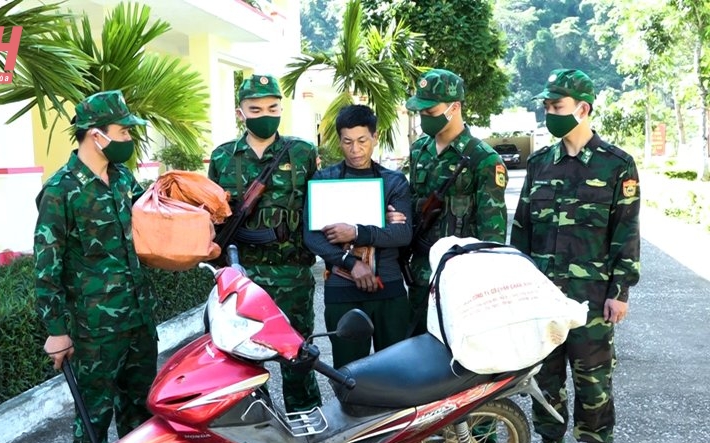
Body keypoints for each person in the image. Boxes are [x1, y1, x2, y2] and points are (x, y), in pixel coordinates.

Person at [511, 68, 641, 443]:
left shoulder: (617, 165)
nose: (550, 113)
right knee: (545, 376)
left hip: (592, 296)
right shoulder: (540, 164)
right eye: (547, 106)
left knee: (593, 378)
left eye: (557, 107)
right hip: (544, 296)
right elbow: (523, 230)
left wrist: (620, 291)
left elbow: (626, 232)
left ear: (583, 109)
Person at [33, 90, 158, 443]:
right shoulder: (60, 190)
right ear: (95, 134)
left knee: (140, 411)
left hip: (139, 318)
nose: (128, 139)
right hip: (94, 330)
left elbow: (149, 225)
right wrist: (56, 330)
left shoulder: (122, 178)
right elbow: (46, 265)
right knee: (93, 418)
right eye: (123, 131)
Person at [208, 73, 322, 413]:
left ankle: (307, 432)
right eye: (255, 109)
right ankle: (253, 433)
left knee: (298, 358)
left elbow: (321, 206)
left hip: (292, 277)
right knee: (239, 362)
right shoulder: (224, 157)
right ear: (240, 112)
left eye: (272, 107)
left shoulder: (302, 152)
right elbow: (211, 214)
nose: (265, 114)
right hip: (242, 278)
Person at [303, 105, 412, 368]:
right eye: (347, 142)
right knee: (349, 373)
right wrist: (351, 263)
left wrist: (356, 232)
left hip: (389, 288)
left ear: (375, 137)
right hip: (342, 291)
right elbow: (311, 236)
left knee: (396, 371)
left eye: (362, 141)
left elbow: (403, 233)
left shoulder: (394, 181)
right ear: (339, 141)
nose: (355, 149)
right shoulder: (324, 180)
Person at [404, 69, 508, 336]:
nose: (424, 118)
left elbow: (491, 232)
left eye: (431, 111)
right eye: (421, 112)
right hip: (420, 274)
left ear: (455, 107)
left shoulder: (483, 159)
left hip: (461, 278)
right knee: (416, 354)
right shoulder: (419, 151)